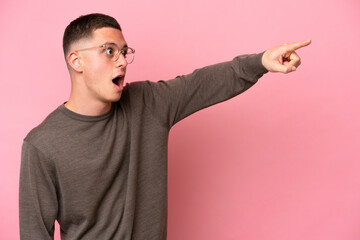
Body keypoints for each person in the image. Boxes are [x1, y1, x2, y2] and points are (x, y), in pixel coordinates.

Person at [19, 13, 311, 240]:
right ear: (76, 60)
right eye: (109, 51)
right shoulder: (42, 144)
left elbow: (202, 83)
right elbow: (34, 233)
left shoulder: (148, 103)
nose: (122, 61)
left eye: (124, 51)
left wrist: (261, 61)